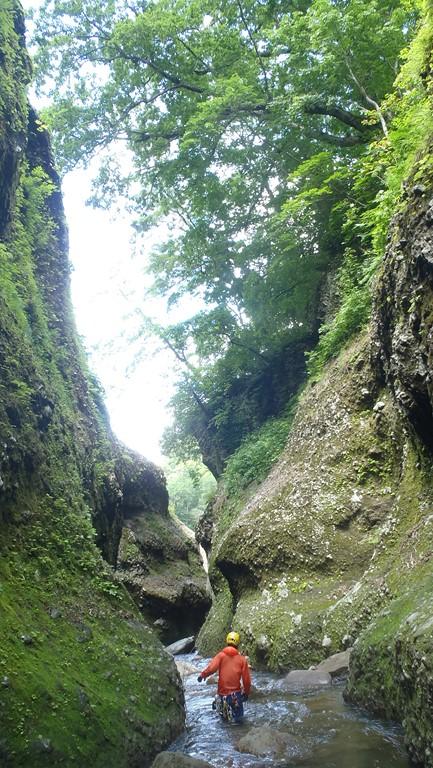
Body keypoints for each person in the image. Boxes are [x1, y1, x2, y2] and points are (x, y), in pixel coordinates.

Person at [197, 631, 251, 723]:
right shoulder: (242, 660)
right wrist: (246, 693)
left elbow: (211, 668)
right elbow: (246, 681)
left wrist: (202, 675)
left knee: (224, 723)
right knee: (239, 722)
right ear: (238, 644)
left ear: (227, 641)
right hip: (235, 697)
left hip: (222, 696)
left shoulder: (221, 656)